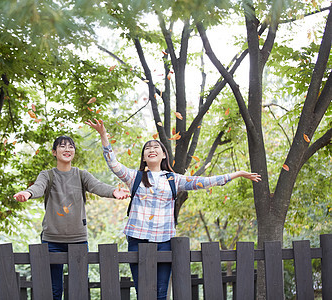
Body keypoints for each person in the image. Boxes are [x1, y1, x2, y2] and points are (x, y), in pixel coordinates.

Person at [85, 119, 261, 300]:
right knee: (142, 292)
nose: (151, 150)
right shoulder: (134, 177)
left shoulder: (174, 179)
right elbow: (113, 164)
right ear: (144, 157)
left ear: (163, 155)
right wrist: (103, 136)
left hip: (163, 240)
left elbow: (204, 182)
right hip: (137, 238)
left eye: (156, 148)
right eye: (147, 148)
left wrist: (237, 173)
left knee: (161, 293)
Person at [14, 135, 129, 300]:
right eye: (62, 146)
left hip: (78, 239)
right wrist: (28, 193)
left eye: (70, 146)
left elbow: (97, 186)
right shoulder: (47, 175)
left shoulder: (81, 175)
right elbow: (38, 187)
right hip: (52, 240)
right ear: (54, 152)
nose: (67, 149)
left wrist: (113, 191)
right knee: (54, 291)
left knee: (79, 289)